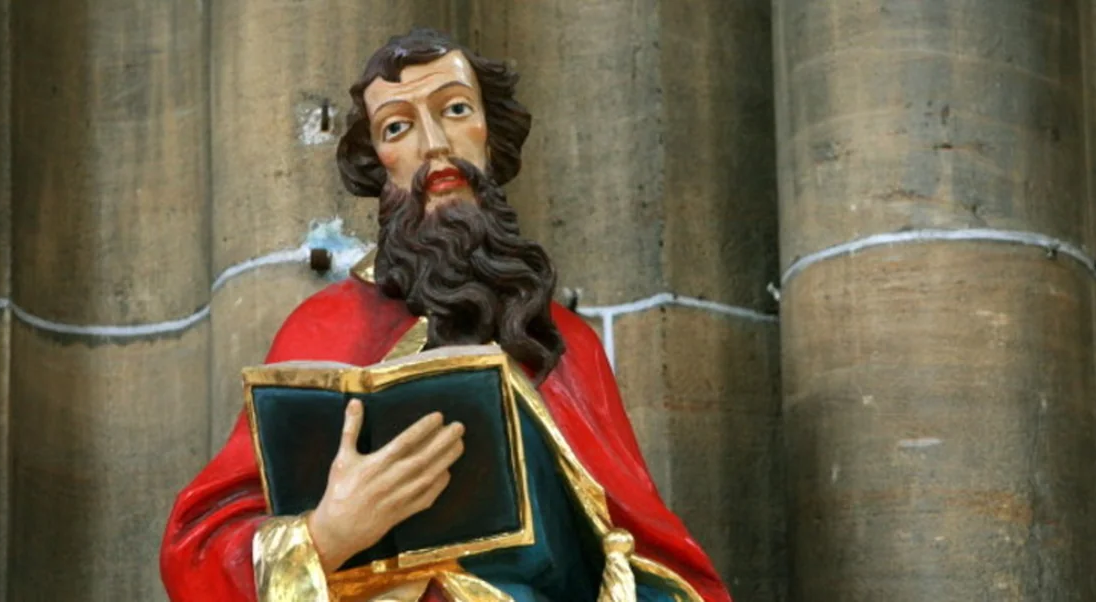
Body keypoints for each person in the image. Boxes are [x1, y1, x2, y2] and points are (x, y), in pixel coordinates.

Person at [159, 28, 731, 602]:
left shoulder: (567, 344)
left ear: (490, 133)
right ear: (378, 165)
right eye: (397, 127)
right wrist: (327, 533)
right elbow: (200, 549)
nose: (435, 145)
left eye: (455, 109)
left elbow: (655, 556)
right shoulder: (325, 327)